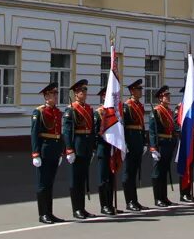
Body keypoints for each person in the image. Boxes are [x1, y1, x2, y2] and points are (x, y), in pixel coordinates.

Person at [30, 82, 65, 224]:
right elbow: (34, 134)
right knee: (42, 184)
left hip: (54, 151)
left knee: (50, 183)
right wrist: (35, 154)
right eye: (53, 94)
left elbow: (59, 133)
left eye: (56, 94)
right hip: (44, 150)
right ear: (46, 96)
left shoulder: (56, 111)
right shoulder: (39, 112)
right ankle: (42, 214)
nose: (56, 96)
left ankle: (50, 213)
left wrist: (61, 151)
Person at [62, 78, 97, 220]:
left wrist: (93, 146)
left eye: (85, 90)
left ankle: (82, 208)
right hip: (77, 146)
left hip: (87, 147)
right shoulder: (71, 109)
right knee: (75, 180)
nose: (84, 92)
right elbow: (67, 131)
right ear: (76, 93)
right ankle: (76, 209)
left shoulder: (88, 109)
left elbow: (92, 130)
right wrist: (69, 149)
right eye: (82, 90)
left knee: (83, 179)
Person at [121, 78, 148, 212]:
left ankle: (135, 200)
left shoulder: (139, 106)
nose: (141, 91)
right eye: (138, 89)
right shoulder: (127, 106)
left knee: (135, 172)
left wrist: (144, 142)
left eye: (141, 89)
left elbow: (142, 126)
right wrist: (124, 142)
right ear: (132, 91)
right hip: (130, 140)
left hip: (138, 140)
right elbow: (123, 126)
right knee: (129, 172)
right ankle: (129, 201)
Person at [149, 85, 178, 208]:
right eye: (166, 96)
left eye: (168, 95)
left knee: (165, 171)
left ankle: (164, 197)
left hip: (168, 143)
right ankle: (158, 198)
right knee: (157, 172)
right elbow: (152, 131)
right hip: (160, 144)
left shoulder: (169, 111)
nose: (168, 97)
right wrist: (153, 147)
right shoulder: (156, 111)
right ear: (160, 98)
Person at [93, 86, 120, 216]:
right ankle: (104, 205)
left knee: (111, 176)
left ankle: (111, 204)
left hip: (112, 149)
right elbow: (96, 132)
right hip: (103, 149)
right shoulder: (98, 113)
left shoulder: (114, 113)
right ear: (103, 97)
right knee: (103, 178)